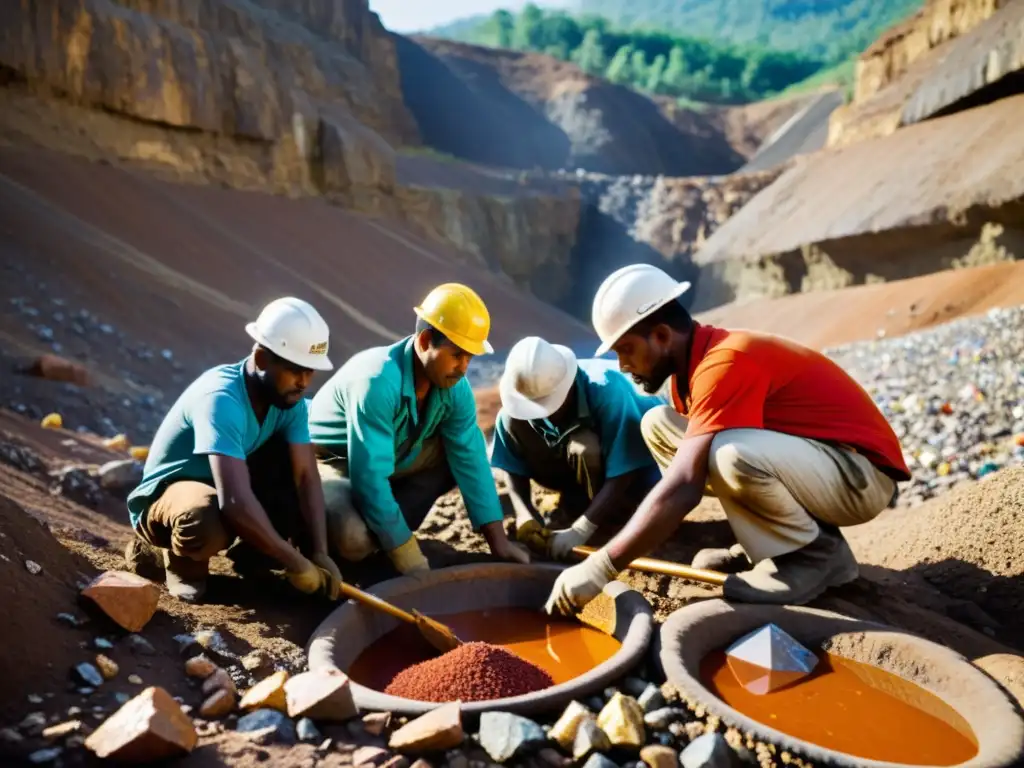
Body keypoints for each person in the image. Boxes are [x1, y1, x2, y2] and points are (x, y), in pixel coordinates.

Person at [544, 264, 911, 616]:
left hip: (859, 477)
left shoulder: (725, 363)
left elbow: (683, 486)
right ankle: (769, 546)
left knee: (727, 452)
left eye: (625, 349)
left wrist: (600, 566)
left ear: (660, 336)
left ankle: (813, 557)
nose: (622, 365)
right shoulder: (689, 373)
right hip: (820, 467)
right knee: (660, 424)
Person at [124, 297, 344, 603]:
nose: (303, 382)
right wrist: (295, 563)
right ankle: (180, 560)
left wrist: (319, 552)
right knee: (204, 518)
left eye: (310, 372)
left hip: (226, 483)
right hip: (172, 495)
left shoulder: (287, 400)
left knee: (290, 469)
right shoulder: (221, 399)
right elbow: (235, 502)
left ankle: (256, 560)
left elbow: (306, 477)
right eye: (296, 370)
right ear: (263, 358)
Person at [308, 282, 530, 575]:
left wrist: (498, 542)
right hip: (334, 466)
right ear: (425, 341)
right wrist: (407, 555)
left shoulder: (453, 386)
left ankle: (387, 530)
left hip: (391, 461)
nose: (464, 367)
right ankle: (380, 536)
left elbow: (471, 459)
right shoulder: (376, 382)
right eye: (456, 354)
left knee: (458, 456)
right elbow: (370, 477)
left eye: (470, 357)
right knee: (354, 540)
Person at [489, 336, 663, 560]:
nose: (545, 414)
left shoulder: (607, 390)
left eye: (550, 405)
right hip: (582, 471)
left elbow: (625, 468)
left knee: (585, 448)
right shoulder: (515, 411)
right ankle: (578, 503)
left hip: (644, 470)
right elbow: (510, 463)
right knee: (514, 423)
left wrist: (582, 529)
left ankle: (611, 513)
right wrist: (525, 514)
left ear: (568, 386)